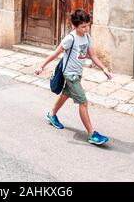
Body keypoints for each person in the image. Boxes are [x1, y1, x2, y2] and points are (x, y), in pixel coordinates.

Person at [35, 9, 112, 145]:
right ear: (74, 26)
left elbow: (92, 55)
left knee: (66, 94)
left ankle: (52, 114)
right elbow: (55, 54)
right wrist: (42, 66)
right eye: (83, 26)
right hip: (70, 75)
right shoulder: (70, 38)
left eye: (87, 25)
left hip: (78, 73)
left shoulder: (87, 37)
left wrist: (104, 68)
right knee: (83, 102)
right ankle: (91, 134)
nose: (86, 28)